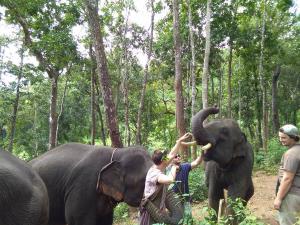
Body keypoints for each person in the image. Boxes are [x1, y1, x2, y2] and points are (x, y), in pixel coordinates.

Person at [139, 132, 192, 225]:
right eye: (166, 158)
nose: (169, 158)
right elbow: (170, 180)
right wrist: (174, 167)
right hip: (150, 209)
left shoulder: (160, 165)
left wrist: (179, 141)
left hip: (159, 207)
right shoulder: (154, 174)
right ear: (163, 161)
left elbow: (172, 153)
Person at [274, 124, 300, 225]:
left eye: (284, 137)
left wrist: (279, 198)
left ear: (293, 137)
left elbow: (287, 179)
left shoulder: (291, 154)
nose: (281, 140)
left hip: (291, 196)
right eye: (280, 137)